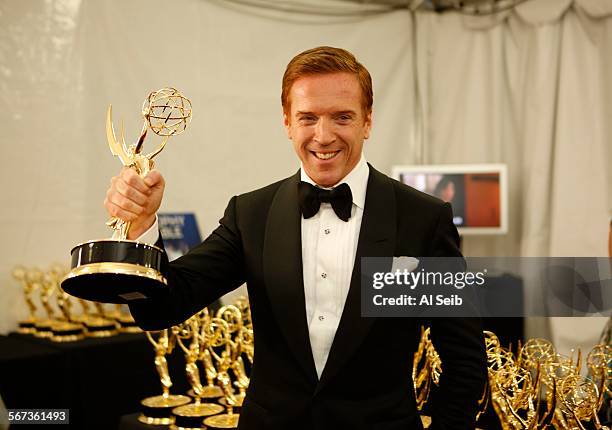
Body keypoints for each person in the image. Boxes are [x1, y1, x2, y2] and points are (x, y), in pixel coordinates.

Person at [105, 46, 487, 430]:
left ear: (367, 122)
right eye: (307, 118)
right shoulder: (251, 214)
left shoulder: (424, 219)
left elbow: (465, 359)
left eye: (342, 117)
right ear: (287, 123)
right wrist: (141, 223)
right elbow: (160, 309)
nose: (323, 136)